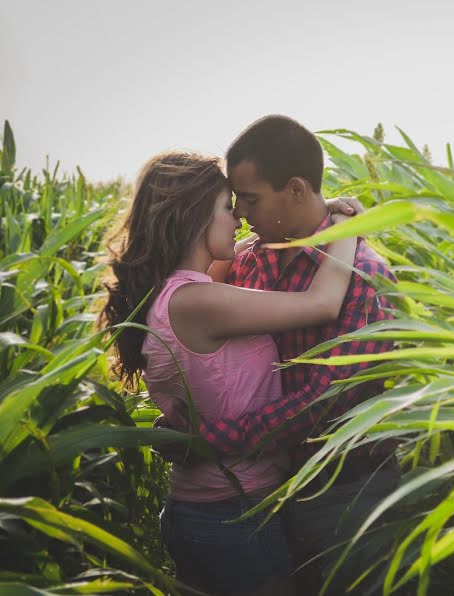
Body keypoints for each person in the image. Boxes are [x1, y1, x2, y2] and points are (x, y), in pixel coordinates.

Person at [99, 151, 362, 596]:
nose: (239, 218)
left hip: (208, 508)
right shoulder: (197, 303)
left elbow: (241, 250)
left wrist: (310, 213)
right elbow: (322, 304)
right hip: (229, 514)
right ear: (194, 217)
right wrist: (350, 231)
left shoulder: (183, 292)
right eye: (227, 207)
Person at [161, 115, 399, 593]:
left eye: (249, 200)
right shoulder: (250, 258)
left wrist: (205, 440)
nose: (242, 214)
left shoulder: (364, 278)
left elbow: (323, 401)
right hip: (264, 490)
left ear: (294, 190)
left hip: (342, 492)